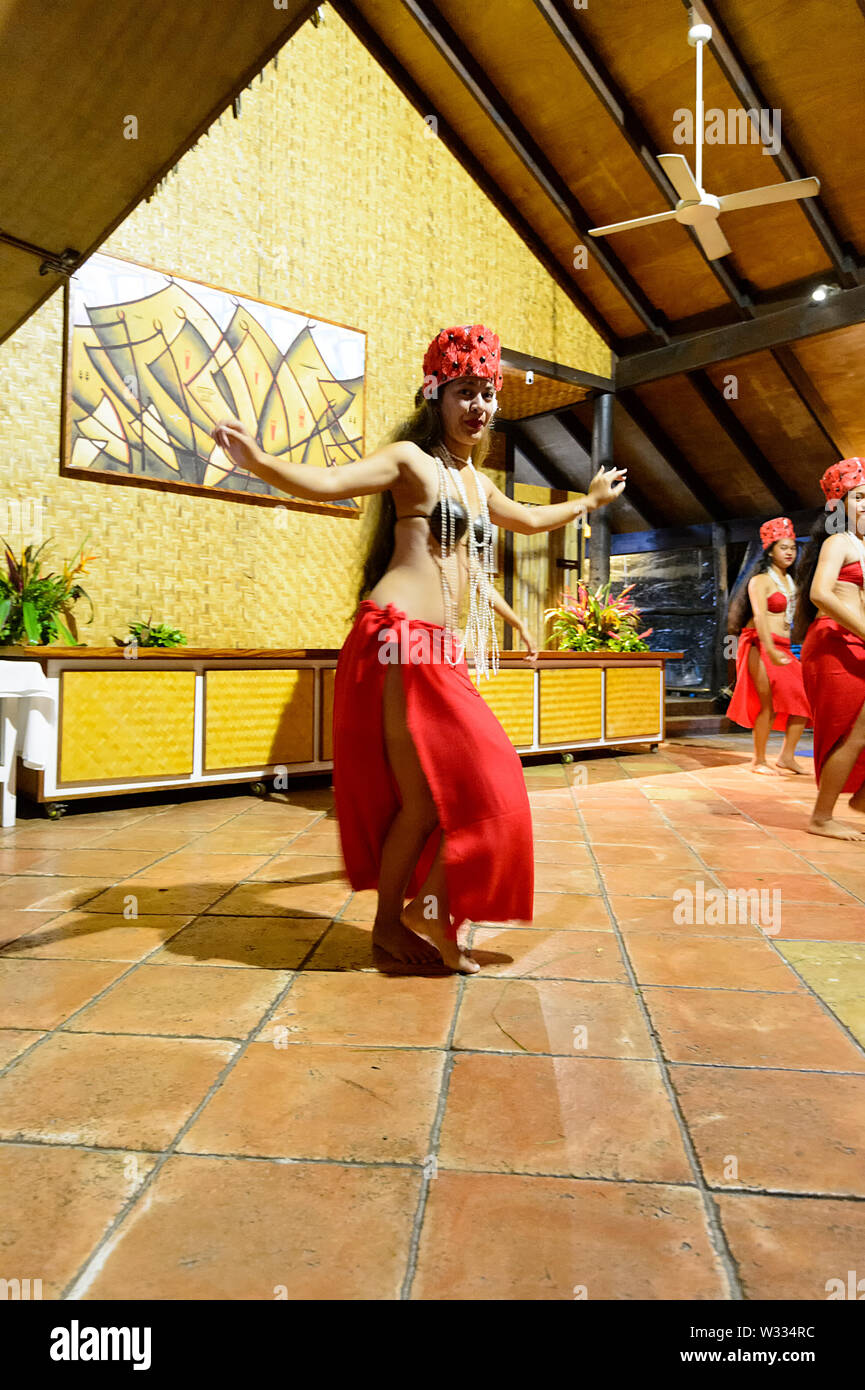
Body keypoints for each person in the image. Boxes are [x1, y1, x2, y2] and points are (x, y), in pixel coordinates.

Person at [213, 323, 624, 970]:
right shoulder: (411, 462)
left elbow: (528, 520)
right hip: (400, 641)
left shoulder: (473, 483)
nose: (478, 407)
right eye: (464, 391)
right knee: (493, 775)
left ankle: (392, 929)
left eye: (487, 393)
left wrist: (588, 503)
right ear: (434, 395)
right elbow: (329, 481)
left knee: (423, 802)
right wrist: (259, 462)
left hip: (432, 646)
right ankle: (419, 910)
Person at [794, 458, 865, 840]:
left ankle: (860, 801)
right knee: (853, 733)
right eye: (860, 497)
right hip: (835, 643)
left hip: (856, 641)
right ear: (840, 505)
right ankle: (822, 817)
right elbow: (820, 593)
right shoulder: (839, 542)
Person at [726, 516, 811, 774]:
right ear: (770, 550)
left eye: (793, 548)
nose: (789, 553)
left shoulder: (791, 582)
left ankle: (786, 756)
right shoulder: (760, 580)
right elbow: (761, 616)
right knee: (767, 704)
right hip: (759, 645)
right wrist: (770, 650)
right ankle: (759, 761)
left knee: (804, 701)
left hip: (782, 646)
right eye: (783, 547)